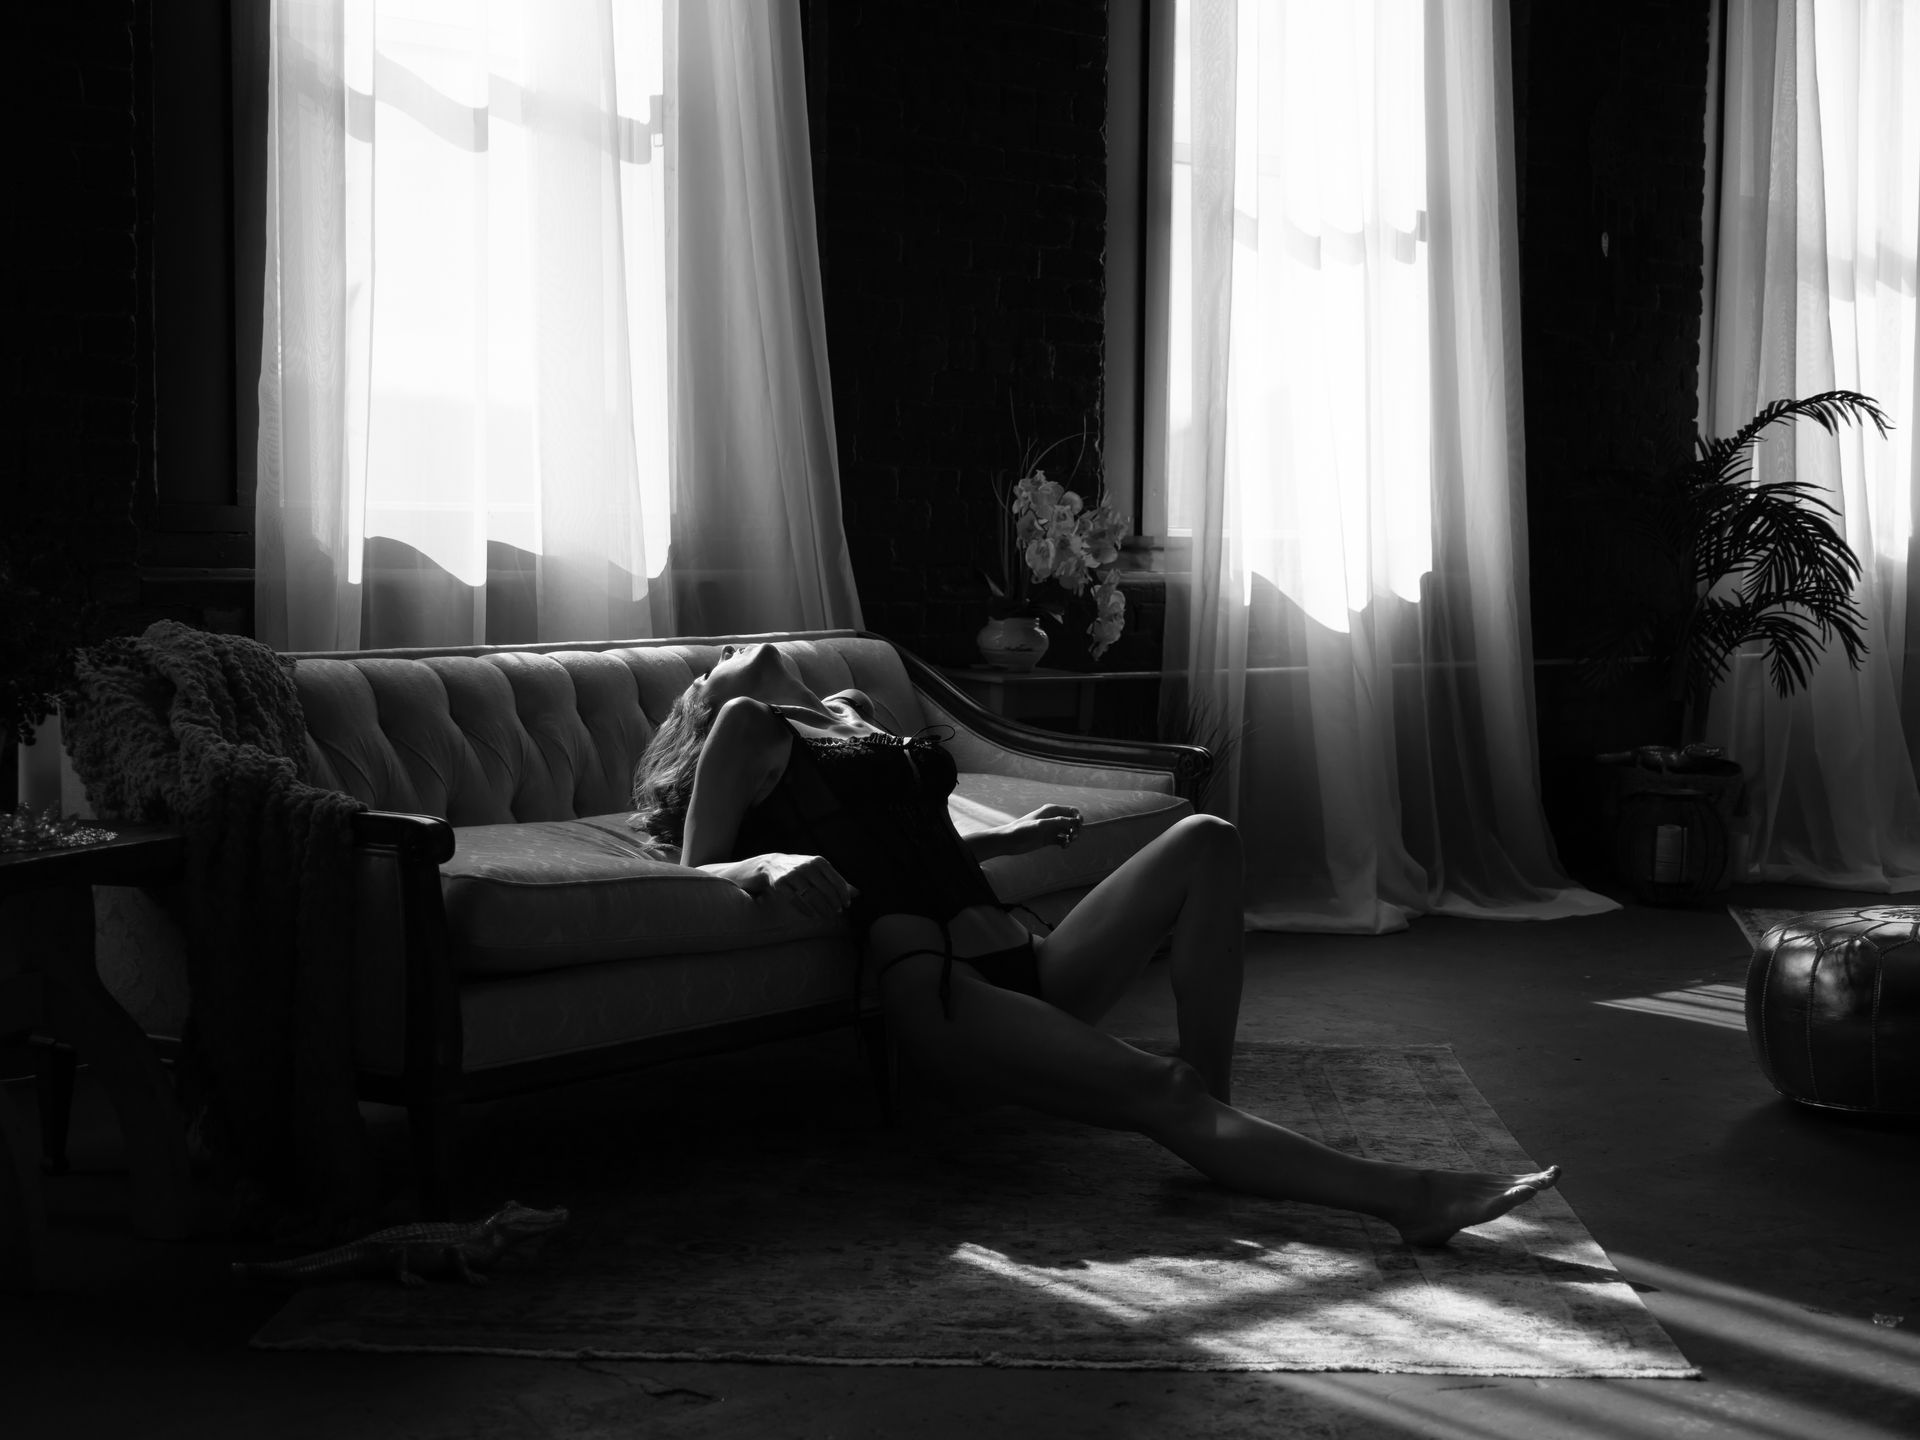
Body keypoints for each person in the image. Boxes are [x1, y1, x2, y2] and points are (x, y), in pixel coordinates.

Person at [629, 641, 1558, 1246]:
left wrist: (1010, 836)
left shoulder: (849, 706)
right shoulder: (747, 729)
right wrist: (765, 863)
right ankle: (1412, 1200)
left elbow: (914, 837)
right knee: (1159, 1090)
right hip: (941, 986)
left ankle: (1221, 1123)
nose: (722, 651)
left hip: (1022, 959)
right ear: (704, 708)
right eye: (707, 666)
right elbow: (701, 861)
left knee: (1208, 841)